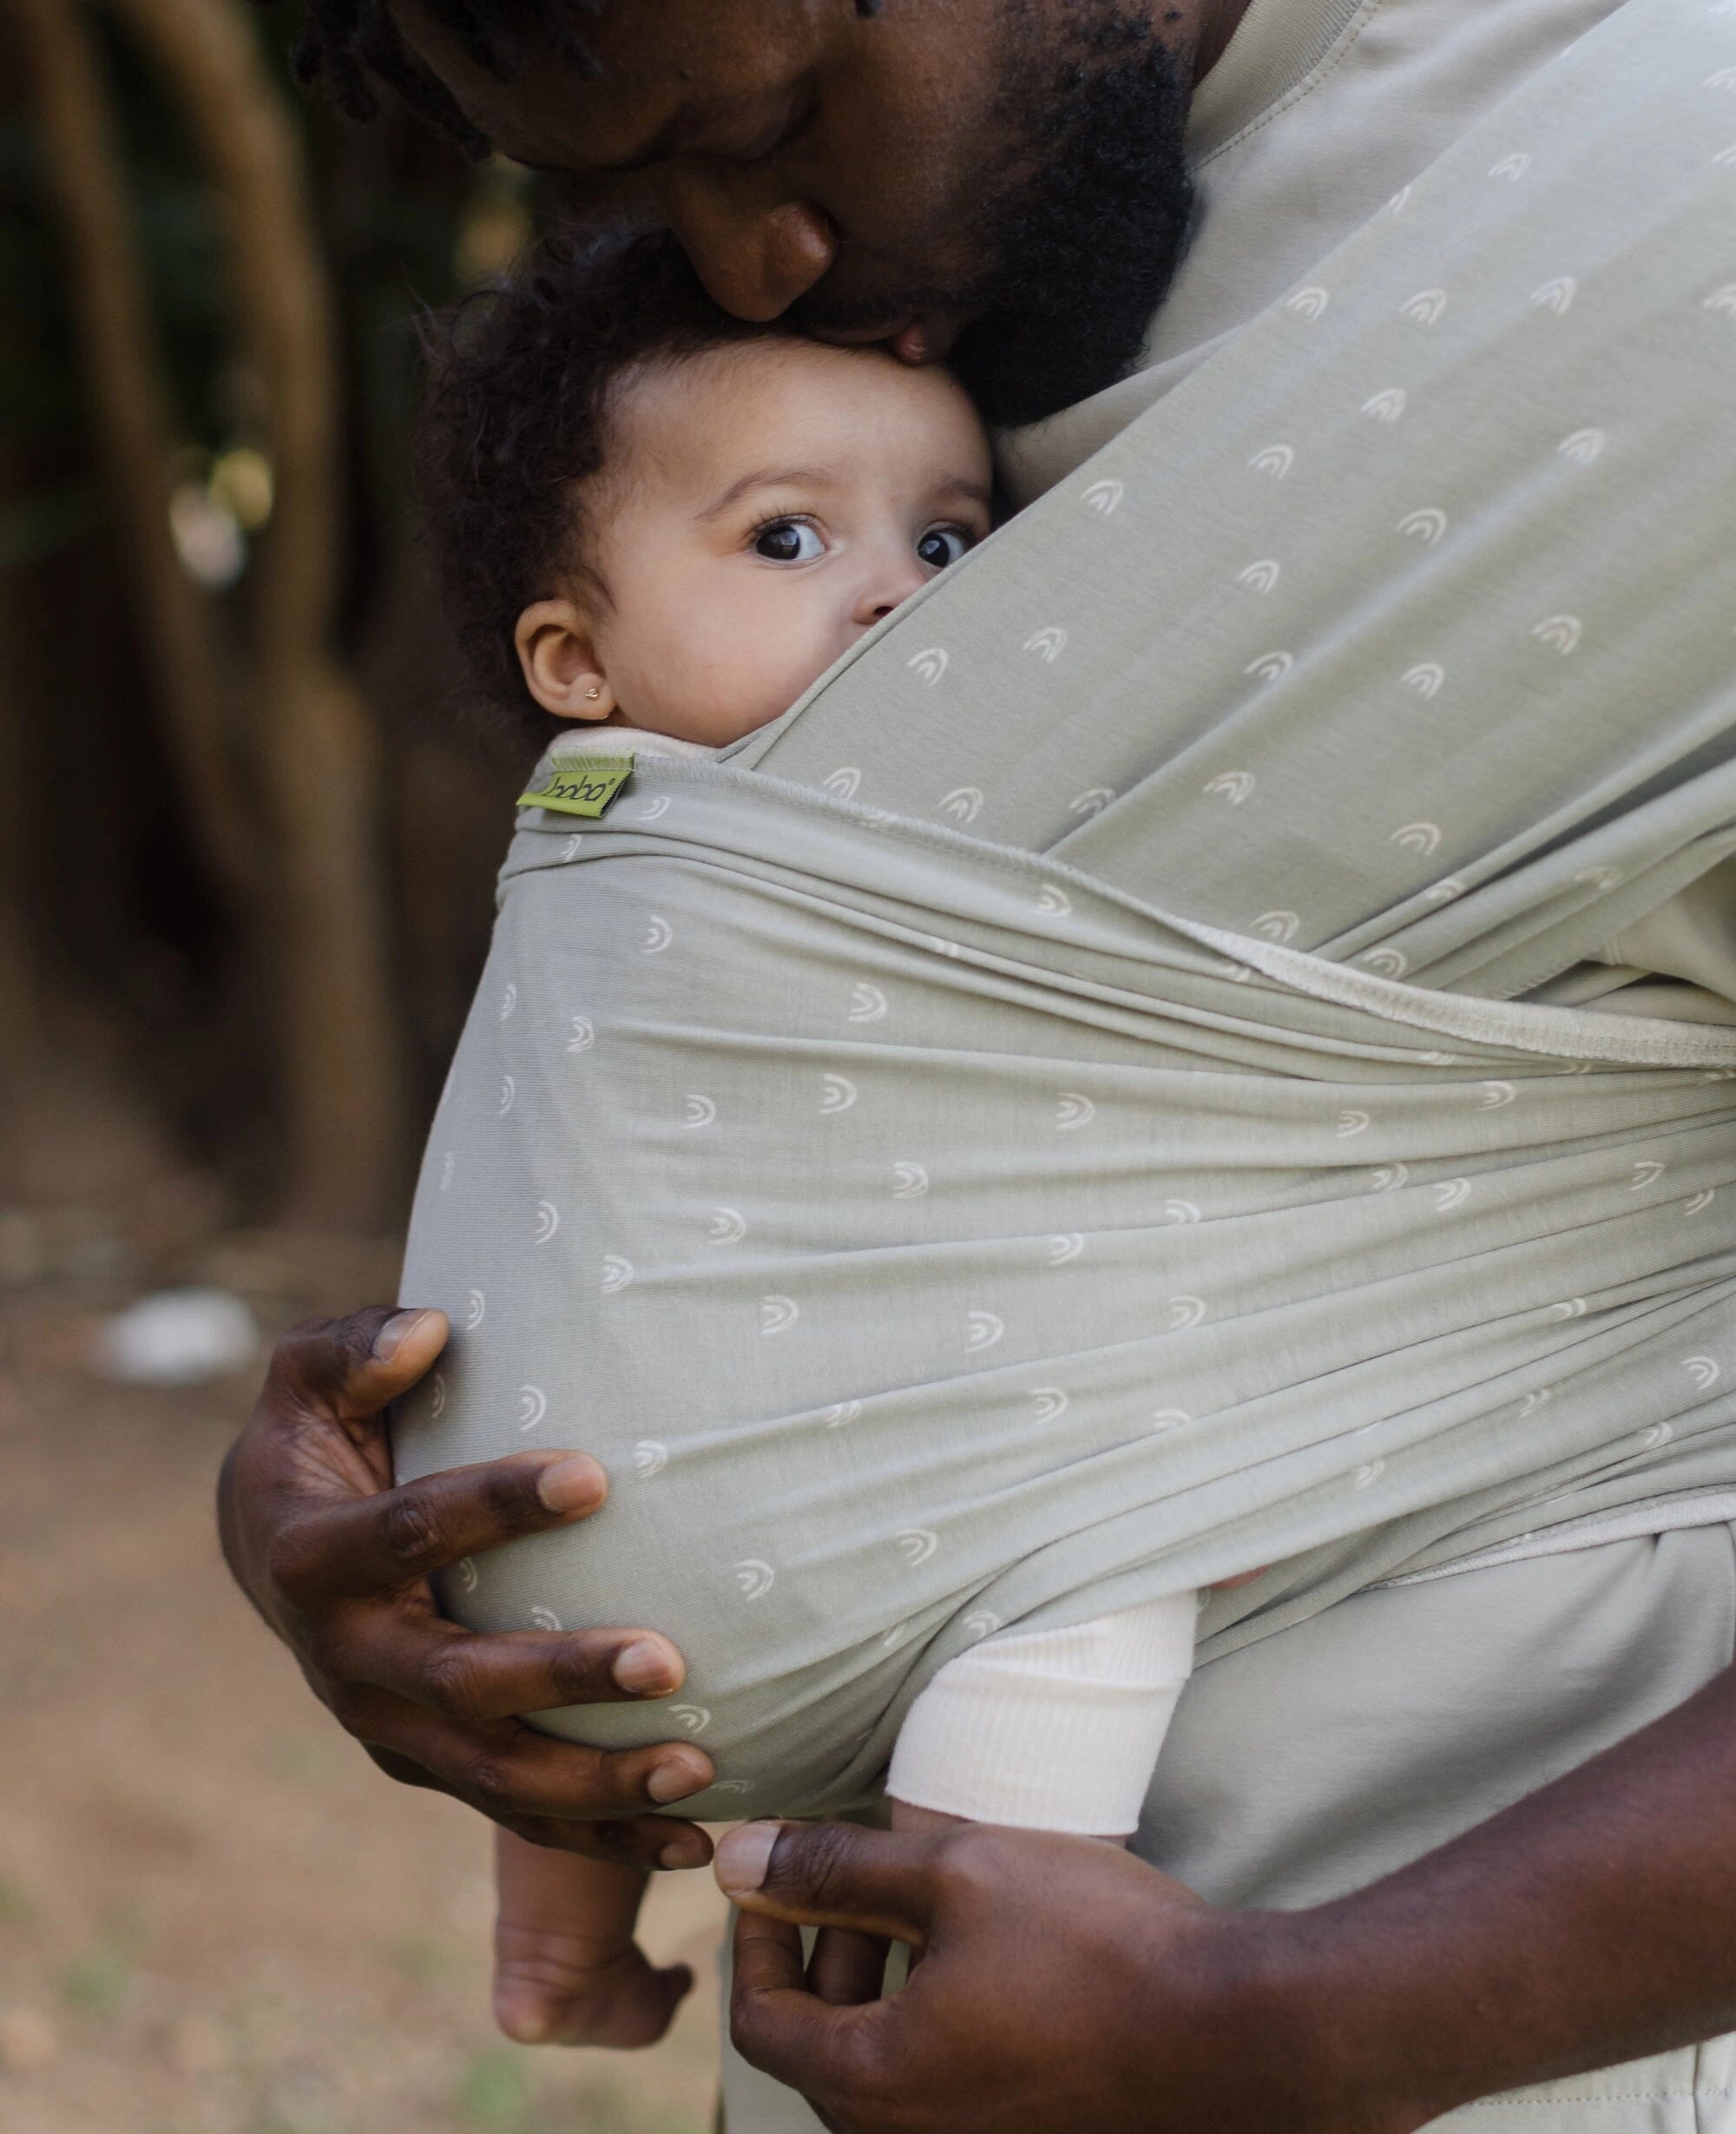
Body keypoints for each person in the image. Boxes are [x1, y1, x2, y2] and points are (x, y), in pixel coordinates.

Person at [187, 0, 1736, 2128]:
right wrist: (395, 1514)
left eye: (771, 127)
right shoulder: (902, 215)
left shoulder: (1658, 159)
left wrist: (1290, 2021)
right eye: (636, 201)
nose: (763, 260)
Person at [412, 220, 1202, 2046]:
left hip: (516, 1551)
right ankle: (995, 1928)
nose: (896, 592)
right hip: (841, 1533)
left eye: (948, 539)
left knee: (573, 1670)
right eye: (787, 537)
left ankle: (558, 1943)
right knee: (1109, 1553)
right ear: (573, 660)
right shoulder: (743, 844)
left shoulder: (597, 806)